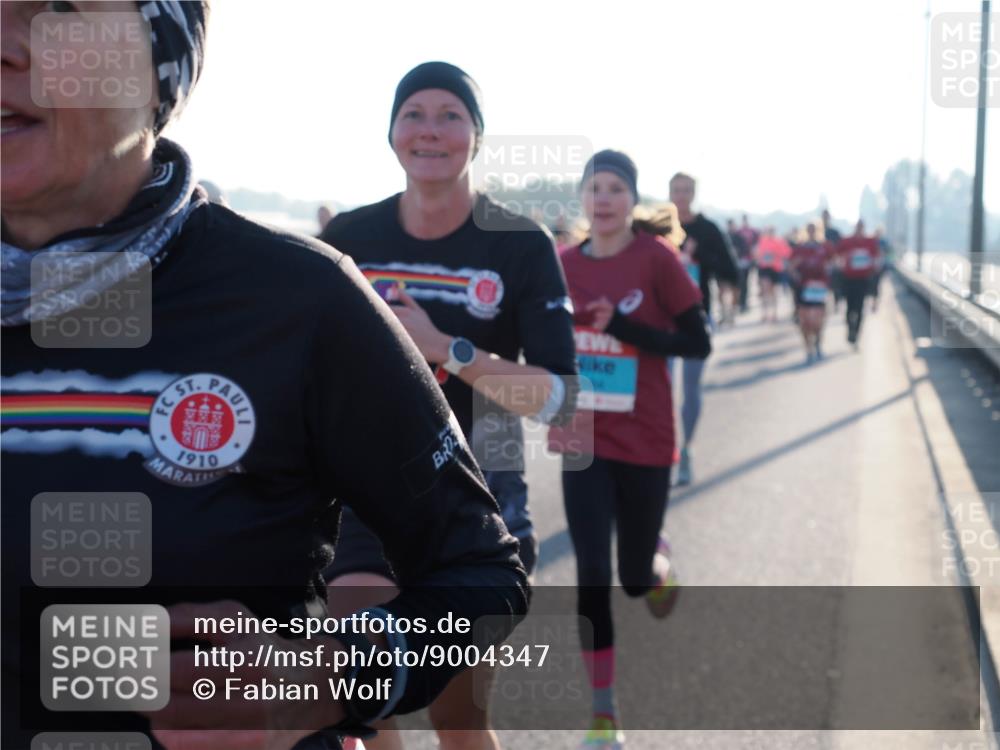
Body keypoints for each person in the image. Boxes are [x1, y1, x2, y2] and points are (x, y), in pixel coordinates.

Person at [1, 8, 528, 750]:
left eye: (57, 7)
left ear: (162, 59)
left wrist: (329, 682)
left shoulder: (297, 298)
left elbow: (481, 570)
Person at [319, 61, 578, 750]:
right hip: (367, 497)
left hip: (475, 497)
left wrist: (447, 349)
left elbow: (557, 397)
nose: (430, 130)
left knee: (458, 721)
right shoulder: (347, 238)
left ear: (477, 137)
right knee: (361, 703)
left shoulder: (520, 244)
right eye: (414, 114)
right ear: (392, 133)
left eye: (449, 115)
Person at [549, 150, 711, 750]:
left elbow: (698, 343)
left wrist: (619, 325)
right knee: (591, 573)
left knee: (634, 580)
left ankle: (657, 566)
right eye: (594, 187)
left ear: (631, 198)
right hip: (583, 438)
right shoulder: (561, 263)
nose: (604, 197)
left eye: (615, 187)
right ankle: (603, 715)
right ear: (583, 198)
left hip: (645, 437)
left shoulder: (656, 260)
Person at [667, 173, 739, 486]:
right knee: (659, 388)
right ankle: (663, 450)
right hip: (660, 320)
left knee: (691, 388)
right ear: (669, 192)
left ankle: (687, 449)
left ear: (694, 193)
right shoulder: (656, 226)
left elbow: (730, 270)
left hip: (696, 317)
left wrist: (698, 256)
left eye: (686, 190)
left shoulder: (707, 229)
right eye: (676, 190)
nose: (681, 196)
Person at [788, 221, 833, 363]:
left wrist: (828, 269)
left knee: (818, 320)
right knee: (805, 322)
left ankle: (818, 342)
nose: (811, 232)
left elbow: (835, 262)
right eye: (809, 229)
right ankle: (808, 348)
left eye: (814, 229)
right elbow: (790, 266)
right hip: (803, 288)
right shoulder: (800, 248)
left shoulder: (824, 247)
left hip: (819, 287)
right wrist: (795, 272)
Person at [835, 219, 881, 348]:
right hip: (849, 279)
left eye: (861, 227)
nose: (859, 229)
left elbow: (876, 256)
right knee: (850, 307)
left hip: (863, 279)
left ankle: (856, 333)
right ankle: (850, 329)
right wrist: (842, 262)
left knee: (860, 307)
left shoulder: (870, 242)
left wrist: (874, 266)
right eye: (858, 227)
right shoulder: (847, 241)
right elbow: (837, 254)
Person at [753, 227, 791, 323]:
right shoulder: (761, 241)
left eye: (771, 231)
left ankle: (774, 313)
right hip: (764, 269)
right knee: (765, 290)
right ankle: (764, 313)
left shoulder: (779, 242)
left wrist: (776, 255)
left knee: (773, 292)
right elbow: (756, 254)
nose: (769, 233)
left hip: (774, 269)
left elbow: (787, 253)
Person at [727, 218, 753, 314]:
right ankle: (735, 305)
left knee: (744, 284)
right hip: (731, 265)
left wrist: (738, 252)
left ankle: (743, 303)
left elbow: (745, 248)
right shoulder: (726, 236)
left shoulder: (740, 237)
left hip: (742, 263)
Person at [821, 208, 844, 311]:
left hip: (832, 260)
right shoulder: (817, 231)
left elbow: (840, 247)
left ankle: (836, 302)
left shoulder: (834, 232)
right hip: (820, 262)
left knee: (835, 283)